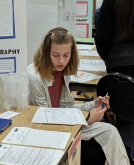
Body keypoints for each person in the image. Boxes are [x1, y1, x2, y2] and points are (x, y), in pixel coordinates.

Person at [27, 27, 130, 165]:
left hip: (62, 122)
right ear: (46, 53)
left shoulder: (62, 71)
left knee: (110, 130)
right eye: (56, 55)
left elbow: (66, 108)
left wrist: (92, 105)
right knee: (101, 137)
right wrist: (86, 119)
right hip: (47, 130)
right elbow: (45, 122)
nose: (62, 61)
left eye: (66, 55)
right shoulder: (35, 77)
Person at [95, 0, 134, 163]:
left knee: (124, 114)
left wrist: (110, 60)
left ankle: (123, 157)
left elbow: (102, 37)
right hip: (119, 63)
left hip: (118, 67)